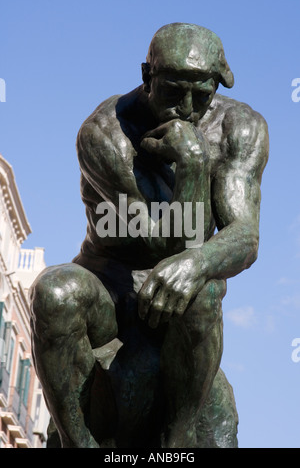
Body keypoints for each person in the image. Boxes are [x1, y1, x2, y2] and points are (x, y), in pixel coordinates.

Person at [29, 23, 269, 448]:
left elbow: (245, 236)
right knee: (54, 291)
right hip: (112, 291)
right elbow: (160, 242)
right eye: (174, 92)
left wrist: (198, 264)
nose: (189, 108)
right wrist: (194, 168)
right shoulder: (104, 132)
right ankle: (76, 443)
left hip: (181, 302)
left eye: (203, 94)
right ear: (147, 76)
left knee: (203, 290)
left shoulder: (240, 128)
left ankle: (176, 443)